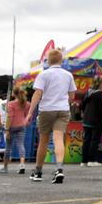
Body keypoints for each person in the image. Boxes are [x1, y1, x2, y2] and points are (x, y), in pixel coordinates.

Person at [29, 48, 75, 183]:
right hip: (62, 109)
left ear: (48, 61)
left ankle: (38, 172)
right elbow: (72, 96)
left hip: (46, 110)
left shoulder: (44, 75)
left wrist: (30, 112)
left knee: (43, 141)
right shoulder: (68, 75)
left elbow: (37, 94)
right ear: (61, 60)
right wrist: (64, 102)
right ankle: (59, 170)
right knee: (58, 139)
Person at [80, 79, 102, 167]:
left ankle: (84, 161)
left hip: (86, 120)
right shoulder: (100, 94)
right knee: (94, 140)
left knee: (86, 140)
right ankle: (91, 160)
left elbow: (82, 105)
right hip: (96, 121)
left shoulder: (88, 93)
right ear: (100, 84)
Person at [3, 87, 29, 174]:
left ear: (13, 94)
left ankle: (5, 167)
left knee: (8, 147)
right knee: (20, 145)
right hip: (22, 126)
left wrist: (7, 129)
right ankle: (22, 164)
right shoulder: (26, 104)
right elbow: (27, 116)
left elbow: (10, 116)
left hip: (12, 127)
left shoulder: (11, 104)